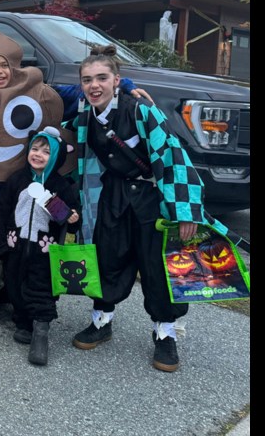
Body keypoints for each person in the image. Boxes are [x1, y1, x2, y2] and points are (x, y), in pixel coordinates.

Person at [0, 30, 152, 324]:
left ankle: (24, 296)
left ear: (15, 68)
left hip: (26, 183)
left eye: (4, 66)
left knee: (31, 241)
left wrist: (124, 85)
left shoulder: (34, 89)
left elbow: (81, 92)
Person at [65, 44, 208, 373]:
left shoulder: (142, 111)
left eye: (102, 78)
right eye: (87, 80)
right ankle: (101, 322)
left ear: (117, 80)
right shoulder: (85, 114)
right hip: (112, 196)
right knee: (107, 258)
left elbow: (173, 157)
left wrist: (185, 211)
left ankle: (165, 333)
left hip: (149, 199)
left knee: (157, 268)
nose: (94, 85)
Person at [0, 127, 81, 366]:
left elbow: (71, 217)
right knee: (16, 284)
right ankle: (23, 321)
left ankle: (41, 330)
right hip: (16, 246)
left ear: (56, 157)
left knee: (41, 289)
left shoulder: (61, 186)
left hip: (44, 251)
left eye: (45, 151)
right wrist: (1, 245)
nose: (38, 154)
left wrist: (73, 218)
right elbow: (2, 213)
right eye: (35, 148)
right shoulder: (17, 180)